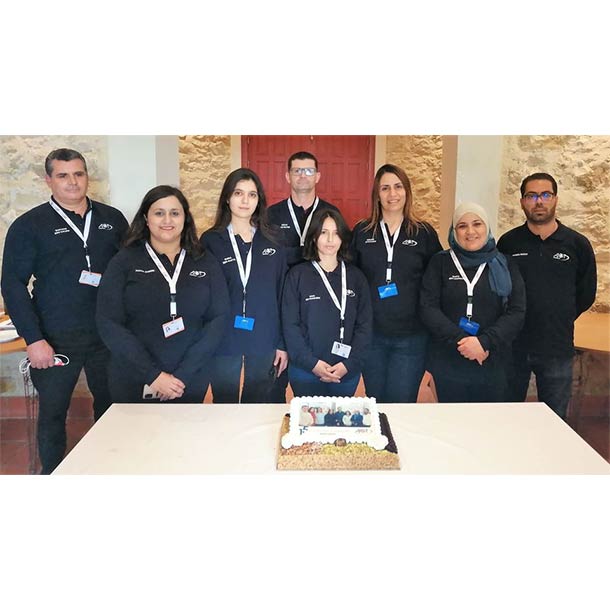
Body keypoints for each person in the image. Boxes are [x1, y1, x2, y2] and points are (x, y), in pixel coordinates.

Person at [1, 148, 129, 474]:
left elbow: (130, 273)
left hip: (106, 335)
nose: (72, 182)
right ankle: (54, 474)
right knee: (54, 413)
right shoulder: (30, 225)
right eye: (63, 175)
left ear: (86, 176)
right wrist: (34, 339)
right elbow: (13, 285)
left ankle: (110, 467)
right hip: (56, 338)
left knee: (113, 408)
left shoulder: (112, 219)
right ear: (49, 180)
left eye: (78, 174)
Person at [96, 185, 229, 404]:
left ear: (185, 218)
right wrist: (153, 375)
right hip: (134, 376)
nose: (167, 220)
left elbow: (218, 318)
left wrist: (184, 375)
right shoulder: (124, 261)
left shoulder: (204, 260)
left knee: (185, 427)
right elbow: (109, 321)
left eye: (175, 213)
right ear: (146, 219)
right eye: (159, 213)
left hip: (191, 377)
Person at [497, 172, 597, 420]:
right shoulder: (508, 243)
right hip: (513, 345)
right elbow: (498, 288)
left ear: (555, 199)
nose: (539, 201)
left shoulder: (577, 244)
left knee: (555, 419)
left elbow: (585, 293)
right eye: (531, 196)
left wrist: (559, 315)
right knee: (506, 415)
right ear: (522, 202)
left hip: (556, 346)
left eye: (545, 195)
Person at [351, 164, 442, 403]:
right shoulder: (362, 232)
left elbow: (436, 281)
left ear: (407, 191)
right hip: (372, 335)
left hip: (411, 337)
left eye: (398, 187)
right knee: (375, 400)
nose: (392, 194)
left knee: (402, 402)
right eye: (385, 188)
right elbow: (351, 280)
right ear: (377, 194)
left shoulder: (423, 233)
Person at [420, 202, 526, 402]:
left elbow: (517, 311)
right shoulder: (440, 263)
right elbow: (428, 308)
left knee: (488, 419)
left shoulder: (505, 264)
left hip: (492, 360)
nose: (470, 231)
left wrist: (483, 342)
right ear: (454, 232)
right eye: (462, 226)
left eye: (477, 224)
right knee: (451, 418)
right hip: (449, 360)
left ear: (487, 227)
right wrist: (462, 341)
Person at [200, 168, 288, 404]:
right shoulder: (211, 240)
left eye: (252, 194)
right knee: (224, 402)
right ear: (227, 198)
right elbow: (203, 294)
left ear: (259, 200)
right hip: (223, 336)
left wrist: (282, 343)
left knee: (258, 401)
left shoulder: (274, 239)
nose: (245, 200)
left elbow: (282, 294)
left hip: (264, 335)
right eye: (238, 193)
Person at [267, 151, 341, 402]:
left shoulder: (331, 213)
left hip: (317, 309)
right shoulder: (272, 215)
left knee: (316, 390)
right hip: (279, 307)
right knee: (274, 387)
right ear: (287, 176)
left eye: (308, 170)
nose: (302, 175)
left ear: (318, 176)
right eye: (297, 170)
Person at [282, 208, 373, 398]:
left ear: (343, 238)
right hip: (306, 371)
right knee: (308, 417)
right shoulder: (297, 275)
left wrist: (348, 365)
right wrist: (312, 364)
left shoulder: (356, 278)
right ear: (314, 236)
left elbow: (364, 326)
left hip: (345, 372)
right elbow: (290, 325)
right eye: (324, 232)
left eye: (336, 233)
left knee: (341, 417)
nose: (330, 240)